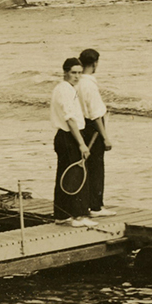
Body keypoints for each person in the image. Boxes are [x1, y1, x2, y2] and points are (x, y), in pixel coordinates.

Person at [50, 57, 94, 225]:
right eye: (73, 73)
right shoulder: (65, 90)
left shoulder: (67, 88)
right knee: (73, 176)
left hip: (67, 136)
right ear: (65, 73)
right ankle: (76, 215)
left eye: (79, 73)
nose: (77, 76)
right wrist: (81, 143)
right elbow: (69, 119)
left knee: (67, 175)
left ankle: (62, 216)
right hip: (68, 136)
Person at [76, 48, 115, 217]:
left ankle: (88, 204)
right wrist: (105, 137)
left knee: (87, 167)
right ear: (95, 63)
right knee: (97, 167)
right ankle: (96, 206)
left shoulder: (76, 81)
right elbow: (96, 115)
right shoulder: (89, 84)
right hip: (93, 129)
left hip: (81, 127)